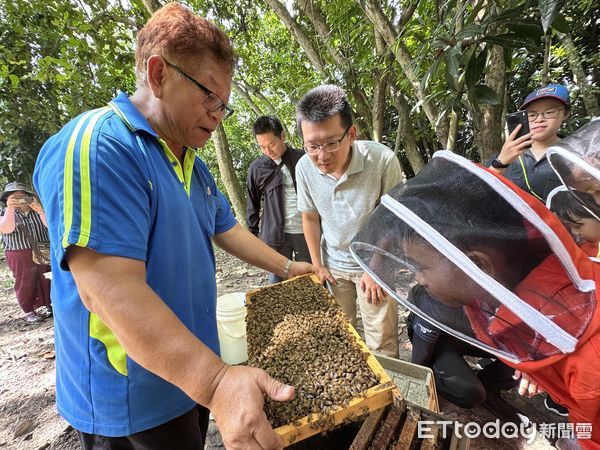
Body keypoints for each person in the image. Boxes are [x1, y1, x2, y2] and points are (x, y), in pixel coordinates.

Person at [33, 4, 315, 450]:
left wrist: (287, 266)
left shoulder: (192, 165)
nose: (218, 113)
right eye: (208, 95)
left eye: (224, 103)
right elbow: (107, 290)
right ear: (159, 73)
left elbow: (227, 229)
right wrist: (219, 381)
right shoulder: (99, 146)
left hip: (190, 373)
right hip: (129, 398)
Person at [351, 151, 600, 448]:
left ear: (477, 266)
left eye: (421, 267)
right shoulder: (500, 288)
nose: (417, 278)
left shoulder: (589, 373)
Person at [295, 84, 401, 358]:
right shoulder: (304, 168)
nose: (322, 155)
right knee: (342, 337)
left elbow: (393, 220)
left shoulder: (382, 160)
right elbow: (309, 216)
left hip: (376, 262)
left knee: (382, 345)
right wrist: (317, 265)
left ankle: (390, 399)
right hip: (334, 265)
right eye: (312, 146)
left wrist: (376, 268)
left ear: (351, 133)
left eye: (331, 143)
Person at [246, 115, 311, 283]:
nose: (268, 151)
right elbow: (252, 202)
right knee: (277, 283)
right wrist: (252, 233)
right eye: (262, 147)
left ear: (283, 136)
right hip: (275, 234)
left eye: (271, 144)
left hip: (306, 231)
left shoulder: (304, 159)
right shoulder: (257, 168)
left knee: (311, 278)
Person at [489, 84, 570, 201]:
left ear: (566, 114)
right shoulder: (505, 155)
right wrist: (500, 163)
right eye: (532, 114)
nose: (539, 119)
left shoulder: (578, 154)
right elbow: (478, 192)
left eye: (549, 112)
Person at [0, 182, 52, 324]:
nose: (20, 199)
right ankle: (29, 311)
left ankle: (49, 305)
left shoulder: (38, 210)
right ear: (6, 200)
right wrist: (10, 209)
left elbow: (52, 226)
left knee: (46, 278)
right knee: (25, 282)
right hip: (18, 253)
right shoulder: (3, 214)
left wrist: (40, 210)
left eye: (23, 196)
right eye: (14, 197)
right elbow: (6, 229)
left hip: (43, 250)